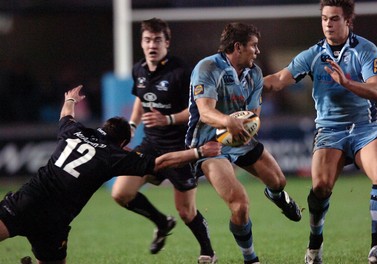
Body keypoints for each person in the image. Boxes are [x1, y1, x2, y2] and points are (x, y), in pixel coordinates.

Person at [0, 85, 221, 264]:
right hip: (54, 223)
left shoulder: (74, 131)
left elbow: (66, 115)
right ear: (124, 143)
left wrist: (70, 99)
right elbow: (161, 162)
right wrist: (199, 152)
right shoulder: (114, 156)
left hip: (27, 201)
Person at [263, 1, 377, 263]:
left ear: (348, 21)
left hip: (364, 128)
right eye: (324, 19)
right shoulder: (313, 54)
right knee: (320, 186)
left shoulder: (365, 50)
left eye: (334, 19)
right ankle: (314, 246)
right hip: (329, 131)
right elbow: (278, 80)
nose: (328, 24)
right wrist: (246, 84)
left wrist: (347, 83)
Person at [186, 22, 302, 264]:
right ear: (237, 47)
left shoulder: (255, 73)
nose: (257, 51)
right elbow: (205, 112)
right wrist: (228, 121)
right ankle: (250, 258)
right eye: (254, 46)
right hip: (210, 145)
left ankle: (276, 196)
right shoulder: (207, 67)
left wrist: (247, 127)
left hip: (238, 139)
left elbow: (252, 114)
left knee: (279, 181)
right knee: (240, 206)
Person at [110, 18, 217, 263]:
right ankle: (161, 222)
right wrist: (132, 127)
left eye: (157, 40)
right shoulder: (139, 69)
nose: (152, 45)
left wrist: (167, 120)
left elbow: (197, 110)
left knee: (186, 212)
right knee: (120, 193)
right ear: (141, 43)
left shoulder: (181, 72)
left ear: (166, 43)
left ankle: (208, 252)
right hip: (150, 145)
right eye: (147, 40)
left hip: (180, 148)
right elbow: (140, 100)